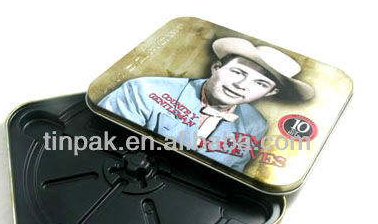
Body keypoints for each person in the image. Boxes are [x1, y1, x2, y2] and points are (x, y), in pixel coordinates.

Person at [98, 37, 314, 172]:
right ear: (216, 68)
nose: (241, 85)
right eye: (238, 72)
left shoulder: (255, 124)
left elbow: (229, 178)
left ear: (270, 92)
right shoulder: (143, 90)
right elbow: (100, 150)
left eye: (260, 83)